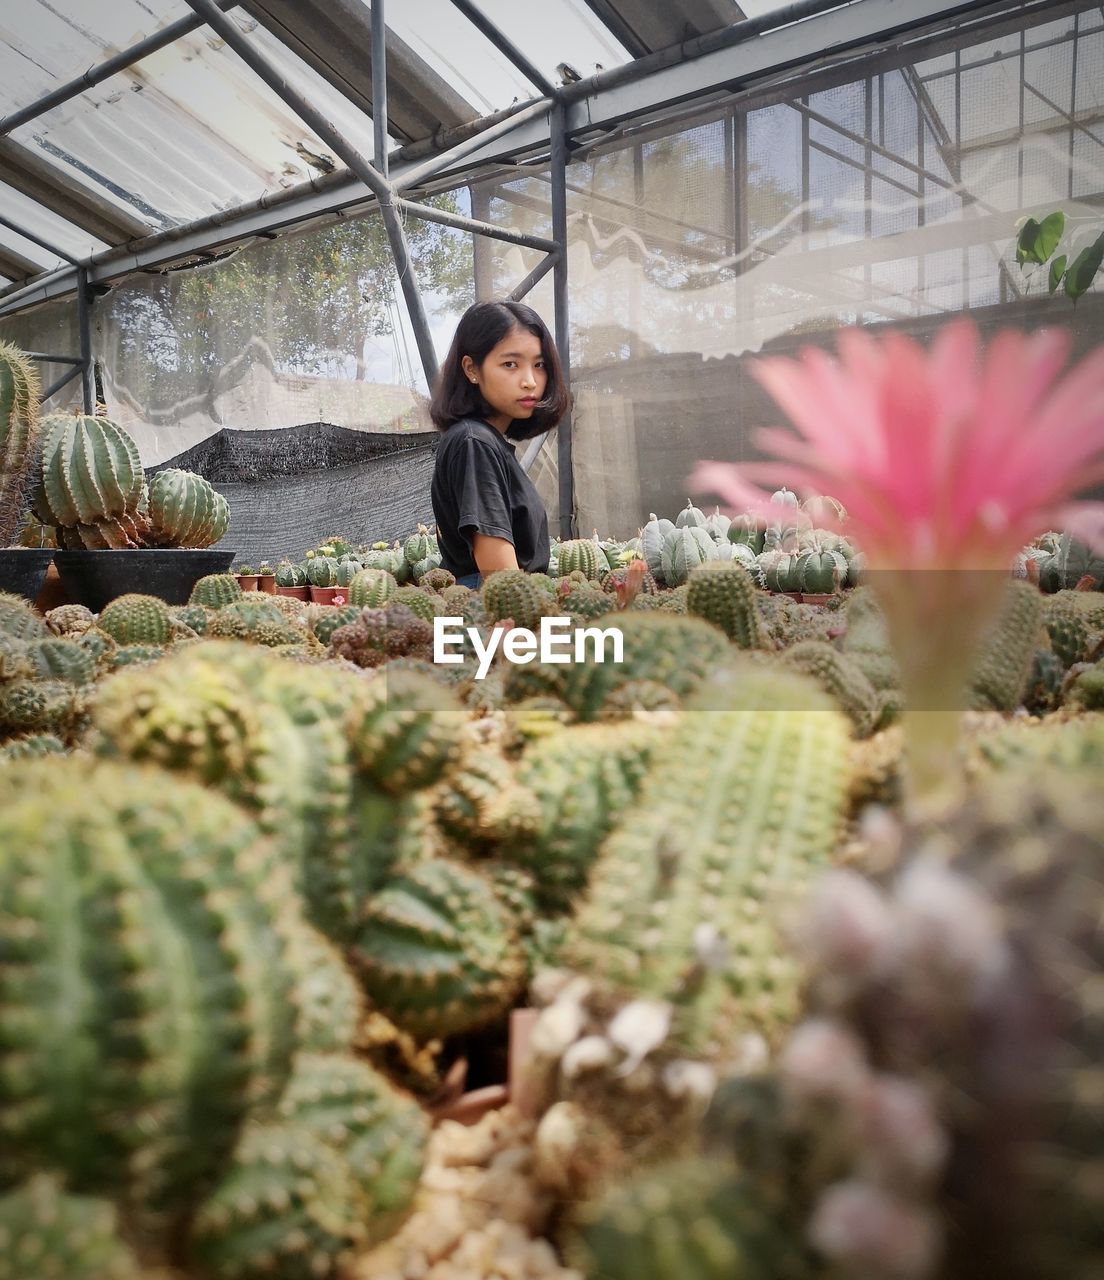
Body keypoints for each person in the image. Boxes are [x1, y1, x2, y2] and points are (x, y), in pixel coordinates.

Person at [430, 300, 569, 588]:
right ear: (471, 369)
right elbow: (502, 580)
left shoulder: (485, 441)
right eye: (510, 364)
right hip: (496, 618)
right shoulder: (473, 443)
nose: (530, 381)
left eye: (539, 365)